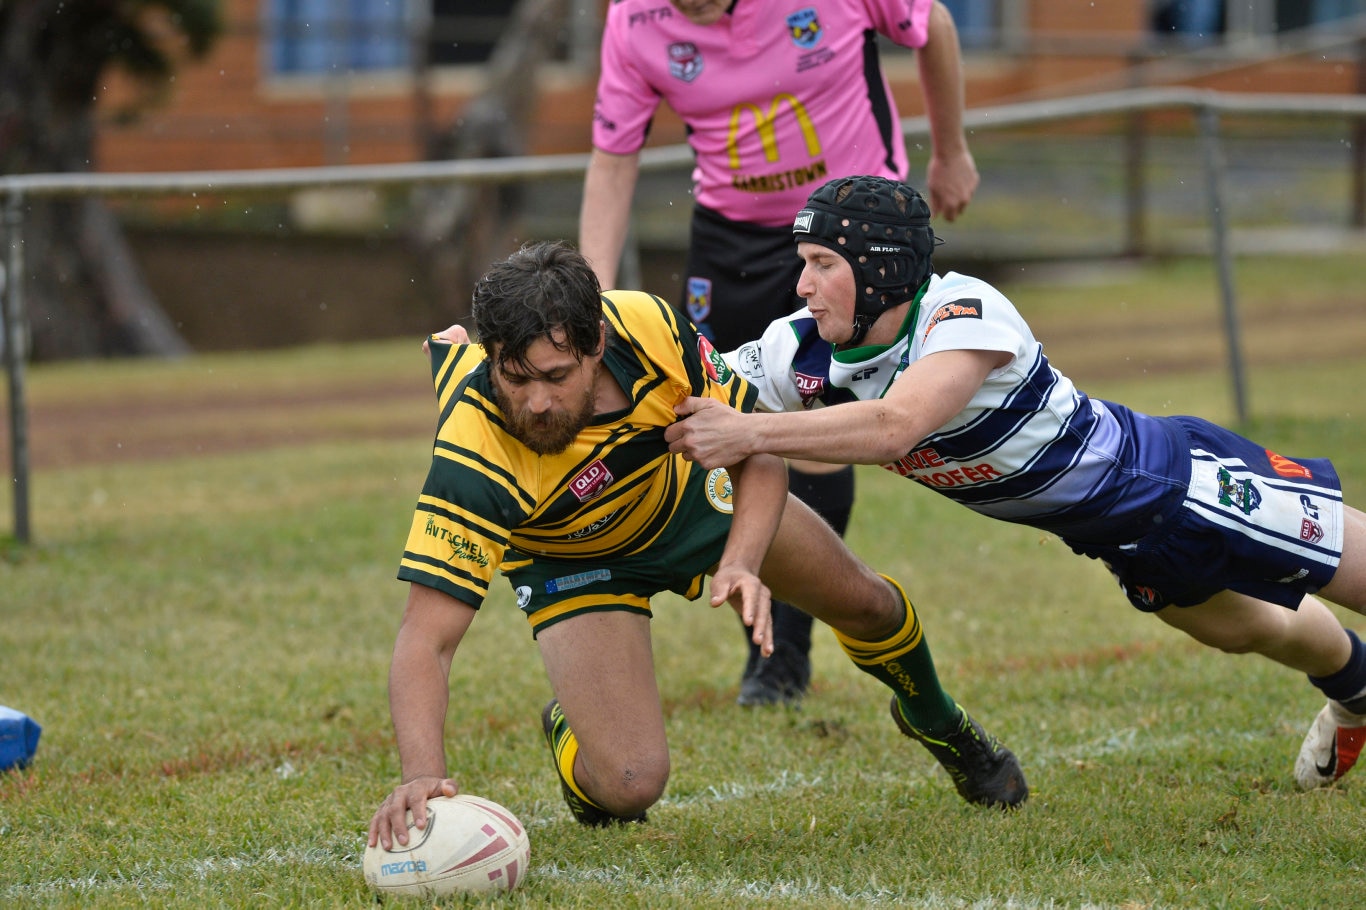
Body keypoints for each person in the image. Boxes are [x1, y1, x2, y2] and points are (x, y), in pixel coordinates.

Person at [664, 175, 1366, 790]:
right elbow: (696, 387)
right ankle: (1356, 691)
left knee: (1346, 571)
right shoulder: (802, 347)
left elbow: (895, 426)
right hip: (1114, 539)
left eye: (820, 264)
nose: (801, 285)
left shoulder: (963, 311)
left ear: (879, 268)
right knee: (1247, 630)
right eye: (802, 264)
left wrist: (751, 430)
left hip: (1176, 482)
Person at [366, 240, 1026, 849]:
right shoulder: (473, 454)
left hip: (683, 500)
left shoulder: (648, 329)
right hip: (570, 560)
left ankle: (943, 725)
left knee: (869, 604)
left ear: (597, 343)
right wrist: (422, 775)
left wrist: (740, 560)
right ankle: (573, 731)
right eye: (514, 378)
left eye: (555, 375)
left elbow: (753, 448)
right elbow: (427, 637)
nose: (535, 403)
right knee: (628, 785)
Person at [579, 0, 978, 706]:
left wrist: (951, 150)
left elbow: (935, 25)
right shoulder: (633, 20)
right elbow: (613, 163)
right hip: (730, 238)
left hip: (850, 228)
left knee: (818, 426)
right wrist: (592, 304)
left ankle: (786, 650)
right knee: (719, 417)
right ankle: (768, 644)